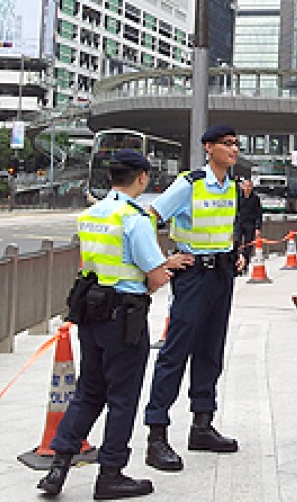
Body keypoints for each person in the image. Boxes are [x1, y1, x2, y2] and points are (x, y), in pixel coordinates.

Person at [38, 150, 193, 499]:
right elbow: (153, 277)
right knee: (123, 397)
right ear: (141, 178)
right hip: (125, 317)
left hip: (92, 314)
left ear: (111, 178)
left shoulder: (93, 214)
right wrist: (166, 267)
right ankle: (111, 473)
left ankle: (58, 469)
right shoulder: (134, 218)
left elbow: (108, 262)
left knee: (89, 392)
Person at [143, 124, 244, 472]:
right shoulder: (190, 184)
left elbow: (225, 227)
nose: (234, 150)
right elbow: (149, 217)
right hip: (194, 276)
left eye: (236, 144)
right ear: (208, 148)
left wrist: (235, 252)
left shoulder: (232, 186)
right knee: (176, 352)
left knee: (211, 350)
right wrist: (161, 261)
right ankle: (156, 435)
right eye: (227, 144)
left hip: (222, 275)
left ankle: (202, 424)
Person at [234, 178, 262, 272]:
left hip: (250, 224)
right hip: (238, 223)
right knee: (237, 243)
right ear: (242, 186)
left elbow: (258, 214)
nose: (247, 188)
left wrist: (258, 227)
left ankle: (245, 265)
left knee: (248, 245)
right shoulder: (237, 197)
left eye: (249, 186)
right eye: (245, 186)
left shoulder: (255, 198)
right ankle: (237, 264)